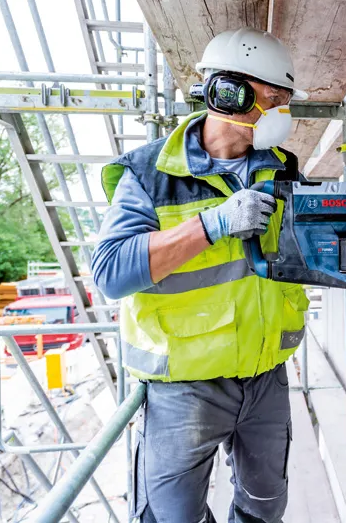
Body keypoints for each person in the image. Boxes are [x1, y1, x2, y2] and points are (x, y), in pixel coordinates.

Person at [91, 27, 310, 523]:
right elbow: (110, 273)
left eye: (285, 100)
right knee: (173, 517)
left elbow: (289, 255)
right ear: (228, 94)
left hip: (265, 374)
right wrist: (213, 224)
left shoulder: (281, 168)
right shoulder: (148, 173)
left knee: (264, 507)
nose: (283, 112)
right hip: (184, 386)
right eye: (272, 99)